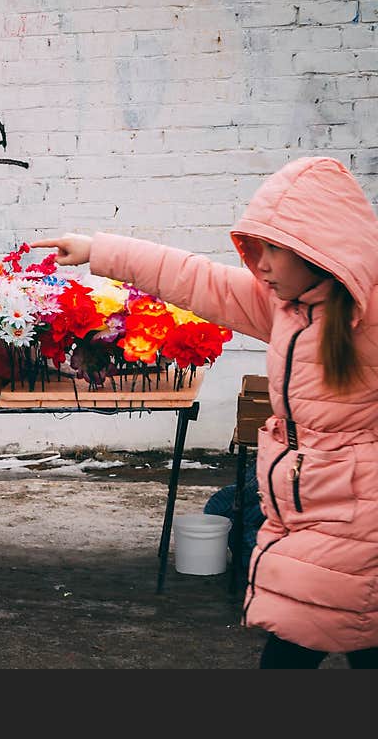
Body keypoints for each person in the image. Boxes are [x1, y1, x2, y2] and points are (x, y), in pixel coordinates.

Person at [31, 156, 378, 669]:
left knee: (308, 646)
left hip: (356, 517)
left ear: (316, 253)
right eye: (256, 250)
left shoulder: (366, 319)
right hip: (306, 510)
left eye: (274, 252)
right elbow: (198, 280)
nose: (259, 265)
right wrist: (98, 250)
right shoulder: (285, 308)